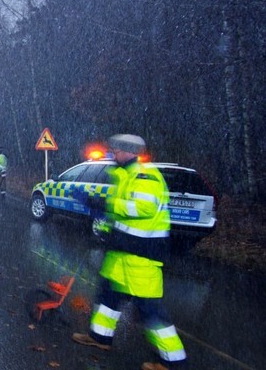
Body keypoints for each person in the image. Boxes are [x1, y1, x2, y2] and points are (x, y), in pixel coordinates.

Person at [70, 134, 186, 370]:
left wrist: (104, 204)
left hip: (142, 257)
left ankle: (174, 362)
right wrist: (103, 220)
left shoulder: (145, 175)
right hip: (121, 253)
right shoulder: (123, 175)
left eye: (116, 150)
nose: (113, 153)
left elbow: (143, 207)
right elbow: (119, 214)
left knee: (150, 311)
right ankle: (100, 338)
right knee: (107, 297)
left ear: (130, 152)